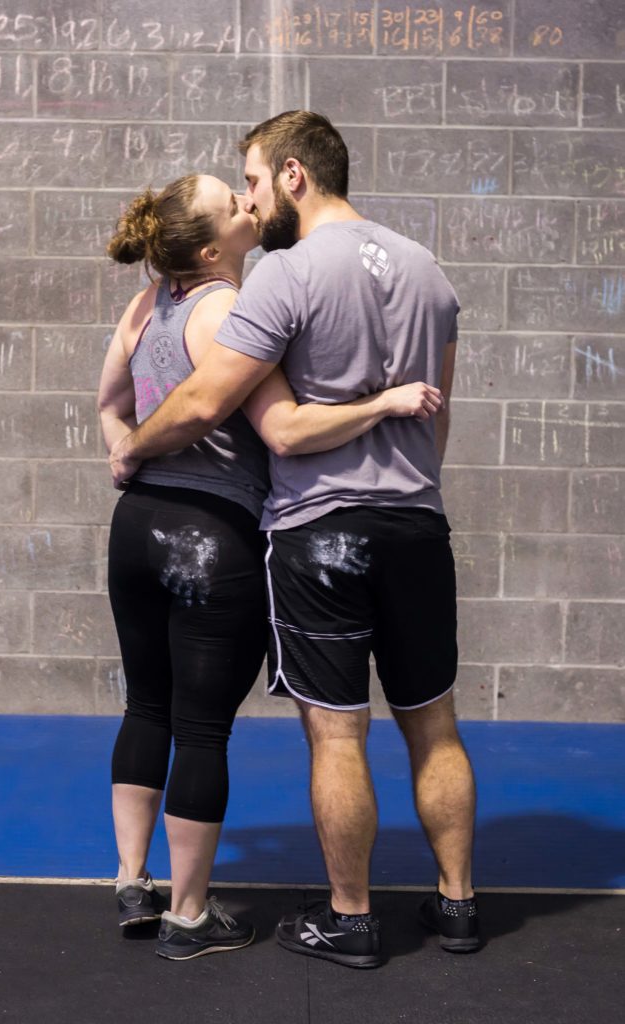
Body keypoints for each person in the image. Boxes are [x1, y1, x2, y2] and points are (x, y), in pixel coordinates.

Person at [98, 171, 444, 963]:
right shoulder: (229, 308)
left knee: (146, 703)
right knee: (200, 727)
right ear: (215, 245)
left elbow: (111, 405)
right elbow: (282, 427)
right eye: (236, 202)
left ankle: (131, 879)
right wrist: (383, 404)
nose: (251, 204)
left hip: (138, 526)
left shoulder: (148, 302)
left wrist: (124, 454)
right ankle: (188, 917)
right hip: (210, 535)